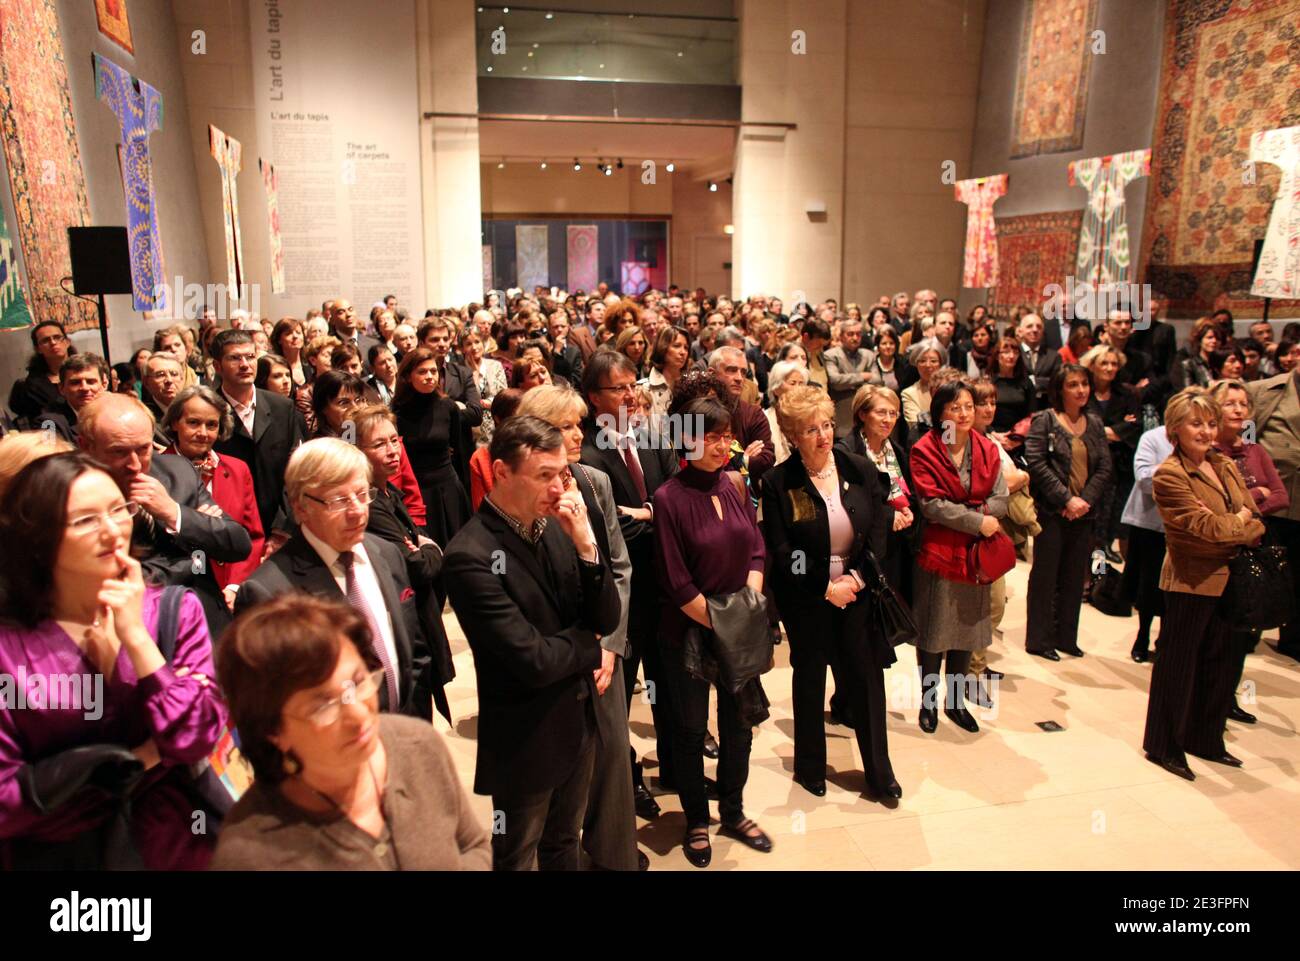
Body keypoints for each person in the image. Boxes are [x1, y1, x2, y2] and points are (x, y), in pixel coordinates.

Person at [0, 453, 226, 869]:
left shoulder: (173, 610)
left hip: (178, 847)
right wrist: (129, 766)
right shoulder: (9, 645)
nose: (111, 531)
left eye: (118, 510)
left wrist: (137, 641)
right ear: (37, 537)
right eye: (85, 520)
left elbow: (197, 736)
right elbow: (6, 801)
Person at [443, 416, 621, 870]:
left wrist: (586, 547)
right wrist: (589, 645)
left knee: (565, 844)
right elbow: (533, 660)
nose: (559, 488)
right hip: (525, 737)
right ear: (501, 473)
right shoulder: (471, 556)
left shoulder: (557, 527)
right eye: (543, 476)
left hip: (577, 720)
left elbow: (606, 616)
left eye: (561, 474)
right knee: (517, 854)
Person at [211, 595, 490, 870]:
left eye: (358, 681)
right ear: (272, 730)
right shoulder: (248, 853)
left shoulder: (417, 743)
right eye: (323, 705)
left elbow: (472, 844)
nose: (358, 715)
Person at [517, 385, 643, 871]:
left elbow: (619, 567)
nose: (578, 433)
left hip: (603, 651)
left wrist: (611, 645)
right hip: (555, 655)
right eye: (565, 426)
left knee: (612, 760)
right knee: (555, 775)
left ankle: (614, 856)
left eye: (579, 424)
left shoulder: (593, 481)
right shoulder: (522, 493)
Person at [762, 386, 901, 804]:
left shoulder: (857, 468)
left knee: (867, 680)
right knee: (809, 678)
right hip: (808, 598)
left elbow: (876, 531)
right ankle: (809, 767)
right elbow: (784, 550)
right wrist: (823, 588)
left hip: (857, 590)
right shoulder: (779, 482)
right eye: (810, 430)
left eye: (826, 425)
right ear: (791, 436)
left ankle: (880, 772)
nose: (823, 437)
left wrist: (855, 581)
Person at [234, 439, 434, 720]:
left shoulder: (386, 553)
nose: (357, 511)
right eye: (339, 501)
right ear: (300, 507)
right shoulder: (267, 593)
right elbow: (271, 708)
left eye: (363, 494)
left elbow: (415, 653)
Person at [654, 397, 772, 867]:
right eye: (711, 436)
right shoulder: (669, 498)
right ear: (685, 438)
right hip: (689, 630)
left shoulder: (736, 487)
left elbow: (758, 548)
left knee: (739, 724)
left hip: (736, 625)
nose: (722, 445)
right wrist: (728, 622)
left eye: (727, 436)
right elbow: (675, 579)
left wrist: (748, 602)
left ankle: (734, 809)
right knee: (688, 730)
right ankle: (696, 820)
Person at [1143, 389, 1265, 781]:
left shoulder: (1225, 464)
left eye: (1211, 423)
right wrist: (1238, 523)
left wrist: (1239, 523)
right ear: (1175, 428)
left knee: (1222, 663)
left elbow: (1257, 517)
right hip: (1190, 581)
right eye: (1197, 423)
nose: (1207, 431)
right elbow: (1203, 528)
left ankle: (1205, 738)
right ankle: (1163, 744)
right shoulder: (1169, 475)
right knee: (1177, 666)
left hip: (1231, 577)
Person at [580, 350, 680, 813]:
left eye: (632, 384)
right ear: (593, 397)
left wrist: (652, 514)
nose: (630, 395)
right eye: (618, 388)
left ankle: (678, 764)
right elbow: (612, 530)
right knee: (620, 697)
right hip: (620, 594)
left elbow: (676, 501)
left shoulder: (652, 433)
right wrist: (655, 517)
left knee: (671, 682)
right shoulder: (584, 454)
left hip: (665, 585)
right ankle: (626, 779)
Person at [79, 393, 252, 635]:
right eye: (119, 452)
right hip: (133, 630)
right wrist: (194, 555)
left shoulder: (178, 470)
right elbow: (118, 581)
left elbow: (237, 543)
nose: (135, 465)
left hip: (208, 621)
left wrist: (174, 512)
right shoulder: (73, 495)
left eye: (143, 449)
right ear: (85, 446)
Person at [909, 380, 1009, 734]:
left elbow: (1001, 497)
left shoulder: (986, 448)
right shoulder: (925, 449)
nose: (964, 413)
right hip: (939, 552)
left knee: (967, 630)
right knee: (935, 633)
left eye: (968, 406)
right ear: (940, 414)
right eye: (955, 408)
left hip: (975, 554)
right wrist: (979, 519)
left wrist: (977, 516)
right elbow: (932, 506)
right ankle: (929, 702)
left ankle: (955, 702)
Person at [352, 404, 455, 721]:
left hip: (419, 625)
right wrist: (430, 549)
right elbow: (419, 567)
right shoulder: (370, 503)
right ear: (357, 451)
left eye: (394, 440)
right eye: (379, 444)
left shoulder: (390, 492)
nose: (392, 450)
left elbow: (418, 552)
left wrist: (422, 546)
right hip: (402, 633)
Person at [1210, 380, 1289, 723]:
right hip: (1214, 552)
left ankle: (1227, 697)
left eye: (1244, 404)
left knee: (1242, 632)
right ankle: (1206, 700)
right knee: (1212, 634)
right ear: (1214, 408)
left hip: (1250, 551)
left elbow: (1281, 496)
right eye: (1230, 404)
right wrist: (1257, 494)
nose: (1239, 410)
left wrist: (1248, 501)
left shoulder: (1255, 451)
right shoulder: (1208, 451)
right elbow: (1215, 504)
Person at [1023, 365, 1113, 660]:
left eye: (1084, 384)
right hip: (1052, 511)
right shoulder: (1045, 420)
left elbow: (1104, 467)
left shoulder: (1096, 424)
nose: (1081, 390)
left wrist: (1084, 500)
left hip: (1084, 513)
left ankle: (1066, 637)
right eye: (1073, 385)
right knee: (1046, 576)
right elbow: (1036, 463)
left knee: (1075, 577)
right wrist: (1066, 500)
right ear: (1061, 390)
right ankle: (1039, 639)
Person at [161, 387, 264, 604]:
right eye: (193, 422)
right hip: (180, 592)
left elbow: (253, 535)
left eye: (212, 425)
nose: (203, 433)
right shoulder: (156, 469)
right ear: (174, 423)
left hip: (232, 590)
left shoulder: (238, 469)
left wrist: (235, 586)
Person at [212, 330, 307, 541]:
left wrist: (282, 528)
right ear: (217, 366)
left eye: (250, 357)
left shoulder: (282, 407)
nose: (245, 364)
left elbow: (298, 471)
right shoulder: (209, 411)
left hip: (283, 525)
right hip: (233, 532)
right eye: (235, 358)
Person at [1246, 363, 1300, 661]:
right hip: (1270, 500)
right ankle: (1249, 628)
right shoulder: (1267, 390)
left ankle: (1293, 638)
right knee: (1260, 567)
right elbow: (1246, 443)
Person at [392, 348, 471, 548]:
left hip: (449, 487)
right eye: (422, 372)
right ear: (408, 377)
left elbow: (458, 451)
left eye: (433, 371)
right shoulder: (397, 412)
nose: (430, 377)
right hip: (418, 491)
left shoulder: (448, 406)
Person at [1120, 423, 1174, 662]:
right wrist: (1179, 467)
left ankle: (1166, 640)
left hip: (1184, 530)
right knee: (1148, 586)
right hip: (1150, 525)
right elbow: (1144, 480)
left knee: (1171, 590)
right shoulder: (1153, 437)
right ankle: (1142, 636)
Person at [1081, 345, 1140, 560]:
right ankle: (1091, 547)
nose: (1110, 368)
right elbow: (1080, 425)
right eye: (1104, 363)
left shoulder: (1128, 392)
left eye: (1114, 363)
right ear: (1092, 365)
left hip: (1120, 459)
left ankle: (1105, 544)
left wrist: (1104, 430)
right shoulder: (1083, 390)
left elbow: (1135, 425)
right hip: (1090, 459)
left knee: (1114, 505)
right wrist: (1117, 427)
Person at [710, 346, 776, 483]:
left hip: (745, 497)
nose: (739, 378)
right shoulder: (694, 412)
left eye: (744, 372)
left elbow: (767, 459)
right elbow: (691, 459)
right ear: (712, 373)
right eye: (732, 370)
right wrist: (742, 459)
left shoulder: (754, 413)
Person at [8, 321, 74, 426]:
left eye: (57, 337)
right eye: (45, 340)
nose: (53, 342)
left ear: (67, 342)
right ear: (38, 349)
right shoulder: (32, 385)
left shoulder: (86, 371)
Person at [823, 318, 873, 437]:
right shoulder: (831, 355)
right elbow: (836, 381)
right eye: (850, 334)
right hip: (842, 416)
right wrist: (862, 377)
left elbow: (877, 380)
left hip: (865, 415)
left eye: (858, 334)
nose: (855, 338)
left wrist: (848, 381)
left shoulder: (869, 355)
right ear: (841, 336)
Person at [460, 330, 507, 446]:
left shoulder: (495, 366)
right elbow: (466, 403)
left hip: (497, 426)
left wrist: (481, 403)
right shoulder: (458, 370)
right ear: (462, 349)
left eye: (477, 342)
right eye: (468, 344)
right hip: (472, 431)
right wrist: (474, 374)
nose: (474, 347)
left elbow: (503, 398)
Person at [764, 361, 808, 466]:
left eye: (801, 383)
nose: (798, 388)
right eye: (792, 383)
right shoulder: (765, 419)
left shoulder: (809, 416)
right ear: (775, 389)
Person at [645, 326, 690, 421]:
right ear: (663, 348)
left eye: (686, 348)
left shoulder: (691, 386)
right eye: (677, 346)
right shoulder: (644, 389)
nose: (683, 352)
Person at [1018, 313, 1060, 409]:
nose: (1035, 330)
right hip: (1018, 409)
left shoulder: (1054, 356)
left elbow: (1057, 383)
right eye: (1029, 326)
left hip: (1046, 408)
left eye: (1039, 327)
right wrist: (1044, 381)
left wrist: (1034, 381)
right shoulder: (1014, 354)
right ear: (1020, 332)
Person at [900, 343, 945, 429]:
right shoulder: (909, 393)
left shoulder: (952, 388)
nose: (928, 365)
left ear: (941, 364)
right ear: (916, 364)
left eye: (933, 361)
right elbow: (916, 427)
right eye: (922, 361)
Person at [1173, 317, 1219, 390]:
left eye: (1217, 337)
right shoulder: (1188, 363)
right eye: (1209, 337)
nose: (1214, 341)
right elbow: (1187, 390)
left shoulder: (1219, 362)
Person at [270, 318, 309, 387]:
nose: (295, 336)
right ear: (279, 340)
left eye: (298, 332)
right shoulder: (273, 367)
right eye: (288, 334)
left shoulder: (310, 363)